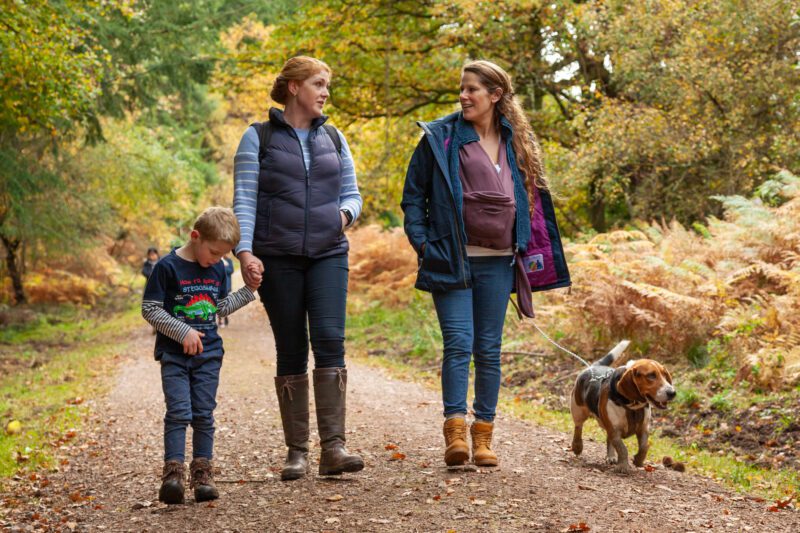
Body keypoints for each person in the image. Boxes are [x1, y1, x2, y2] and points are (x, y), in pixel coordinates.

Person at [401, 60, 550, 468]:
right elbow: (413, 196)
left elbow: (533, 202)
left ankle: (483, 435)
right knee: (458, 345)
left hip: (500, 262)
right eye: (462, 89)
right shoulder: (440, 137)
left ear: (495, 95)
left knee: (488, 350)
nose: (464, 96)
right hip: (451, 258)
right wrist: (424, 244)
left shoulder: (515, 140)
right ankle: (455, 433)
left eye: (472, 90)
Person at [233, 56, 364, 481]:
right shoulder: (258, 138)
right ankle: (297, 452)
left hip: (329, 252)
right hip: (277, 256)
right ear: (293, 87)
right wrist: (245, 253)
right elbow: (244, 201)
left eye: (327, 85)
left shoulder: (335, 137)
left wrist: (340, 218)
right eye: (318, 83)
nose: (325, 92)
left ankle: (334, 448)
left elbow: (352, 195)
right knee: (291, 346)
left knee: (330, 340)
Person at [142, 207, 260, 504]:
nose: (218, 260)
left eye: (224, 255)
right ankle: (173, 475)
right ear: (196, 237)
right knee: (179, 412)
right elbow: (150, 309)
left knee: (204, 414)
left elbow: (218, 308)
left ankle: (203, 475)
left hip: (208, 355)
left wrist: (248, 291)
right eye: (214, 252)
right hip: (174, 355)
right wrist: (182, 331)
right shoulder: (167, 267)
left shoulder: (218, 269)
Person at [218, 254, 235, 328]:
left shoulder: (228, 261)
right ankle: (220, 320)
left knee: (225, 303)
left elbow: (231, 270)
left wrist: (224, 264)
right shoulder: (216, 260)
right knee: (218, 303)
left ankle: (225, 316)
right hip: (218, 285)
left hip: (227, 286)